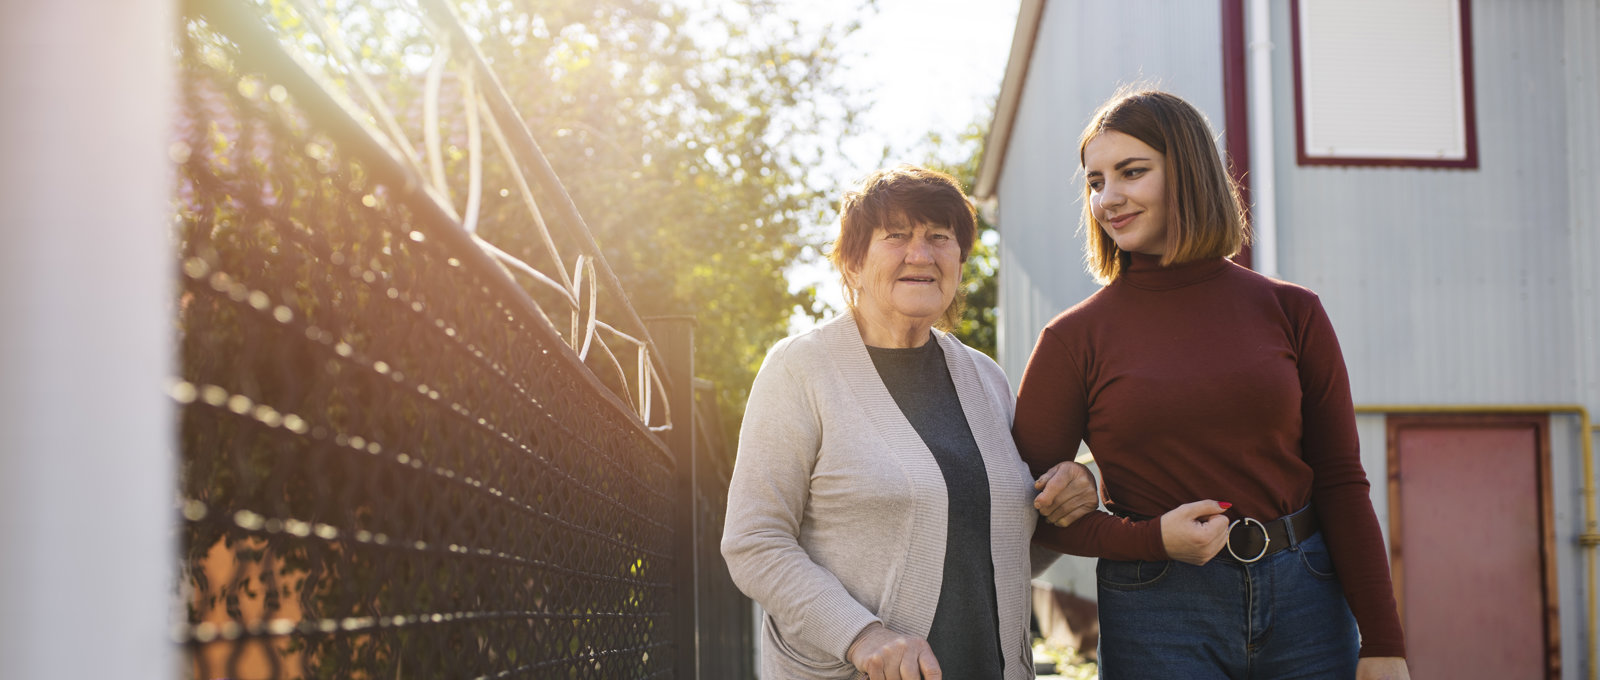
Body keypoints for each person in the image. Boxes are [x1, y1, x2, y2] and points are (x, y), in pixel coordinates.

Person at [1011, 88, 1411, 680]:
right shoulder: (1074, 338)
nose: (1108, 198)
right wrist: (1147, 539)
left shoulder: (1292, 311)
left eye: (1131, 172)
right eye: (1095, 181)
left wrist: (1383, 641)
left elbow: (1342, 481)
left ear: (1190, 172)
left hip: (1308, 598)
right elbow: (1024, 511)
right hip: (1157, 608)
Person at [721, 165, 1098, 679]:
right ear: (853, 263)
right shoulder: (799, 369)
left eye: (939, 238)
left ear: (960, 260)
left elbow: (1000, 540)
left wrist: (1072, 490)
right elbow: (755, 542)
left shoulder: (985, 378)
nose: (920, 254)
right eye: (895, 235)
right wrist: (860, 635)